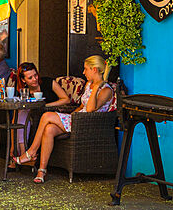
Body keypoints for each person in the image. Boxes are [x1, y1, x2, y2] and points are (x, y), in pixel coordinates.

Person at [14, 55, 115, 183]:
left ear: (94, 69)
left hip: (87, 124)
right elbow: (82, 106)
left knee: (46, 116)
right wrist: (73, 114)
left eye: (86, 69)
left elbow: (90, 110)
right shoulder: (89, 84)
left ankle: (31, 152)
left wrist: (96, 89)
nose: (83, 72)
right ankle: (41, 171)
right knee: (49, 129)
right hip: (78, 119)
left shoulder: (106, 90)